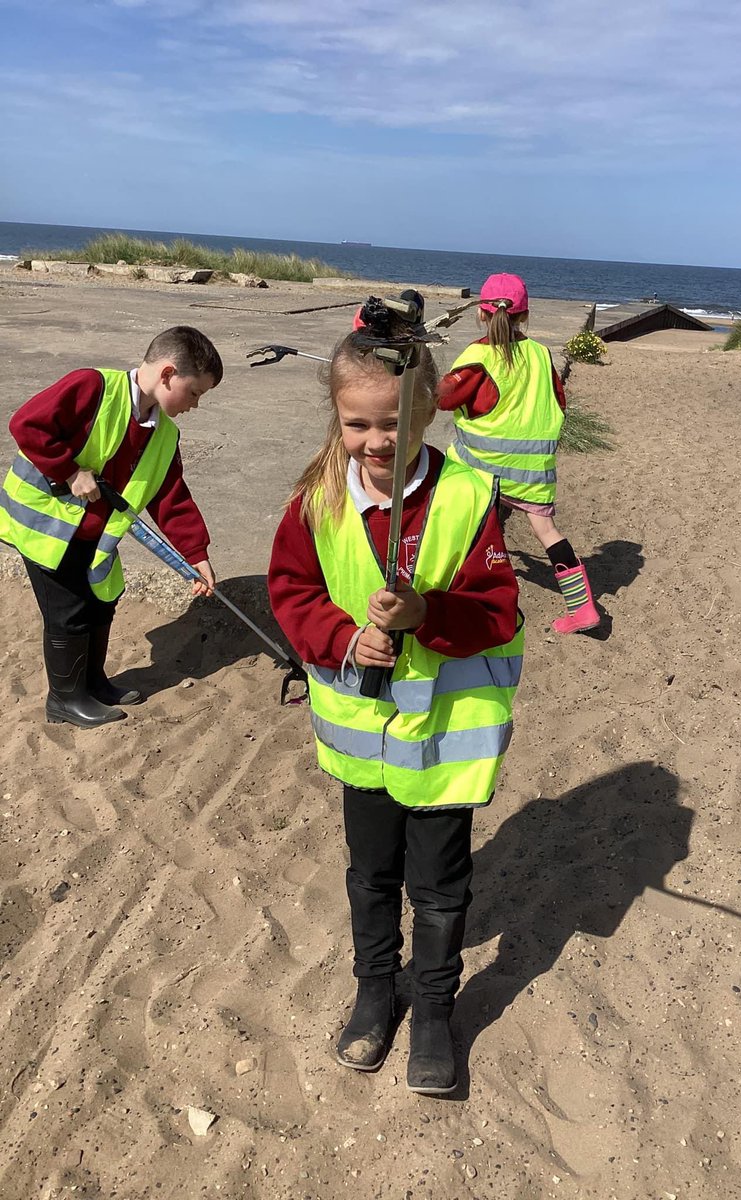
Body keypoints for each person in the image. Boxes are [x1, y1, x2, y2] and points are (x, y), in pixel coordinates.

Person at [267, 310, 523, 1095]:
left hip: (445, 746)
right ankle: (376, 990)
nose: (377, 442)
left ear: (429, 410)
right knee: (370, 875)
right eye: (357, 424)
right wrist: (345, 638)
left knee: (440, 885)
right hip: (361, 744)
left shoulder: (470, 495)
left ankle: (436, 1007)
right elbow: (291, 592)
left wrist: (425, 616)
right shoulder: (316, 499)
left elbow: (499, 611)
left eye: (396, 423)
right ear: (337, 418)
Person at [0, 325, 222, 727]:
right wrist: (69, 473)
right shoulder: (93, 387)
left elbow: (171, 498)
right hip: (44, 527)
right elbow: (28, 424)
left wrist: (196, 556)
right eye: (195, 392)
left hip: (93, 534)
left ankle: (94, 683)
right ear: (168, 374)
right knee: (68, 613)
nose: (195, 403)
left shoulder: (165, 434)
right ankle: (65, 699)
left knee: (101, 602)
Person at [438, 272, 601, 634]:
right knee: (548, 531)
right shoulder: (542, 355)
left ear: (482, 313)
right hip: (531, 471)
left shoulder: (478, 357)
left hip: (479, 467)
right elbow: (559, 402)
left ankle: (462, 591)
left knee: (466, 526)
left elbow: (444, 399)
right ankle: (583, 608)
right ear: (524, 315)